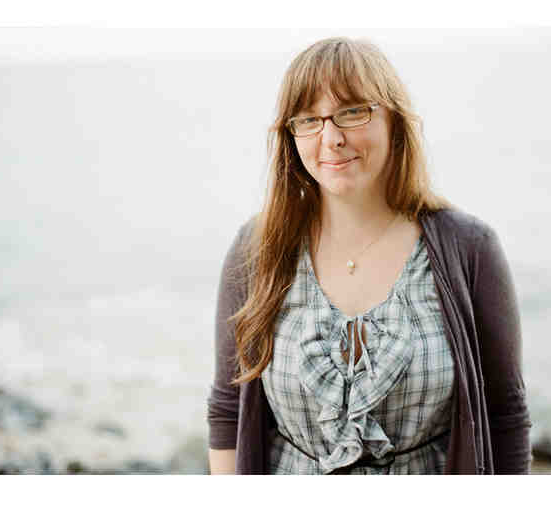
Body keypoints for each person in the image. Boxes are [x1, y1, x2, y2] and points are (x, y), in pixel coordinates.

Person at [207, 37, 531, 474]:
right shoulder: (258, 249)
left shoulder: (470, 248)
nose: (331, 138)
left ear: (394, 120)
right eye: (309, 119)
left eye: (352, 111)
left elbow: (505, 416)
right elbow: (227, 411)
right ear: (290, 135)